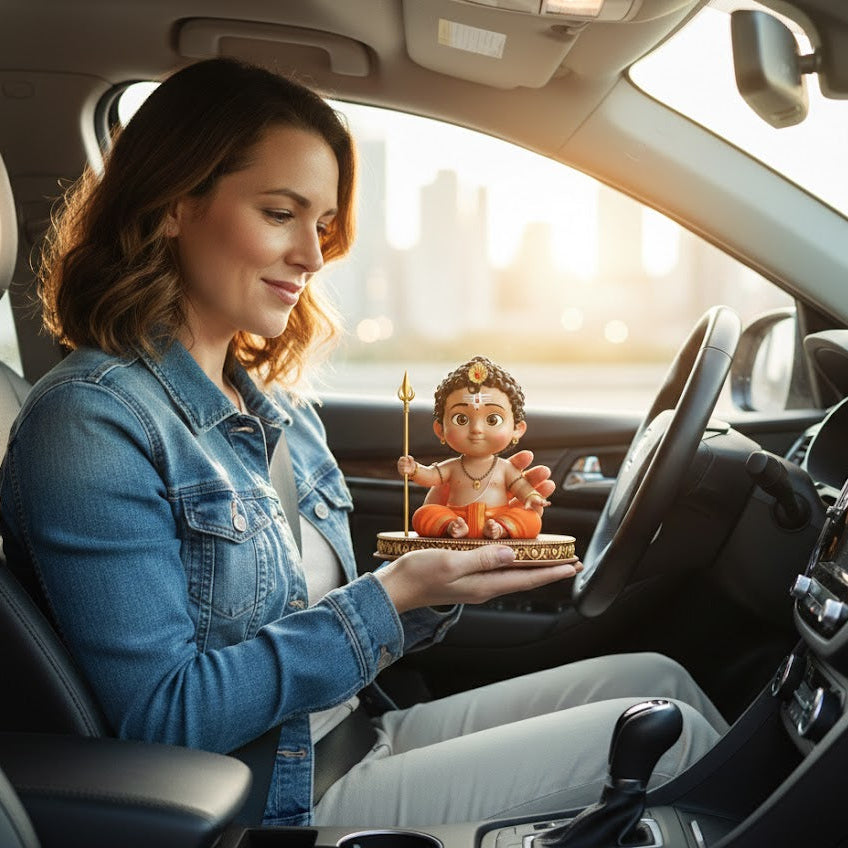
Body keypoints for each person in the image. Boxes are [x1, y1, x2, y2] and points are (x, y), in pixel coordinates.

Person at [0, 57, 727, 829]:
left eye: (321, 225)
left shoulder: (275, 407)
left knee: (662, 679)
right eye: (281, 214)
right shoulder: (90, 424)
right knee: (673, 741)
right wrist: (393, 594)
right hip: (271, 799)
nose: (313, 257)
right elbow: (165, 720)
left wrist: (439, 580)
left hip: (347, 733)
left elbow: (322, 622)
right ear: (174, 204)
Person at [397, 356, 550, 540]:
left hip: (497, 518)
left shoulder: (505, 469)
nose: (476, 429)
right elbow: (430, 476)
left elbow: (521, 487)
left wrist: (531, 497)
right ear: (440, 430)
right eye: (461, 419)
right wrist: (414, 470)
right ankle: (451, 528)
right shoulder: (453, 467)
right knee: (423, 515)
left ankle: (499, 530)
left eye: (493, 420)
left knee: (531, 518)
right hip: (456, 517)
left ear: (517, 429)